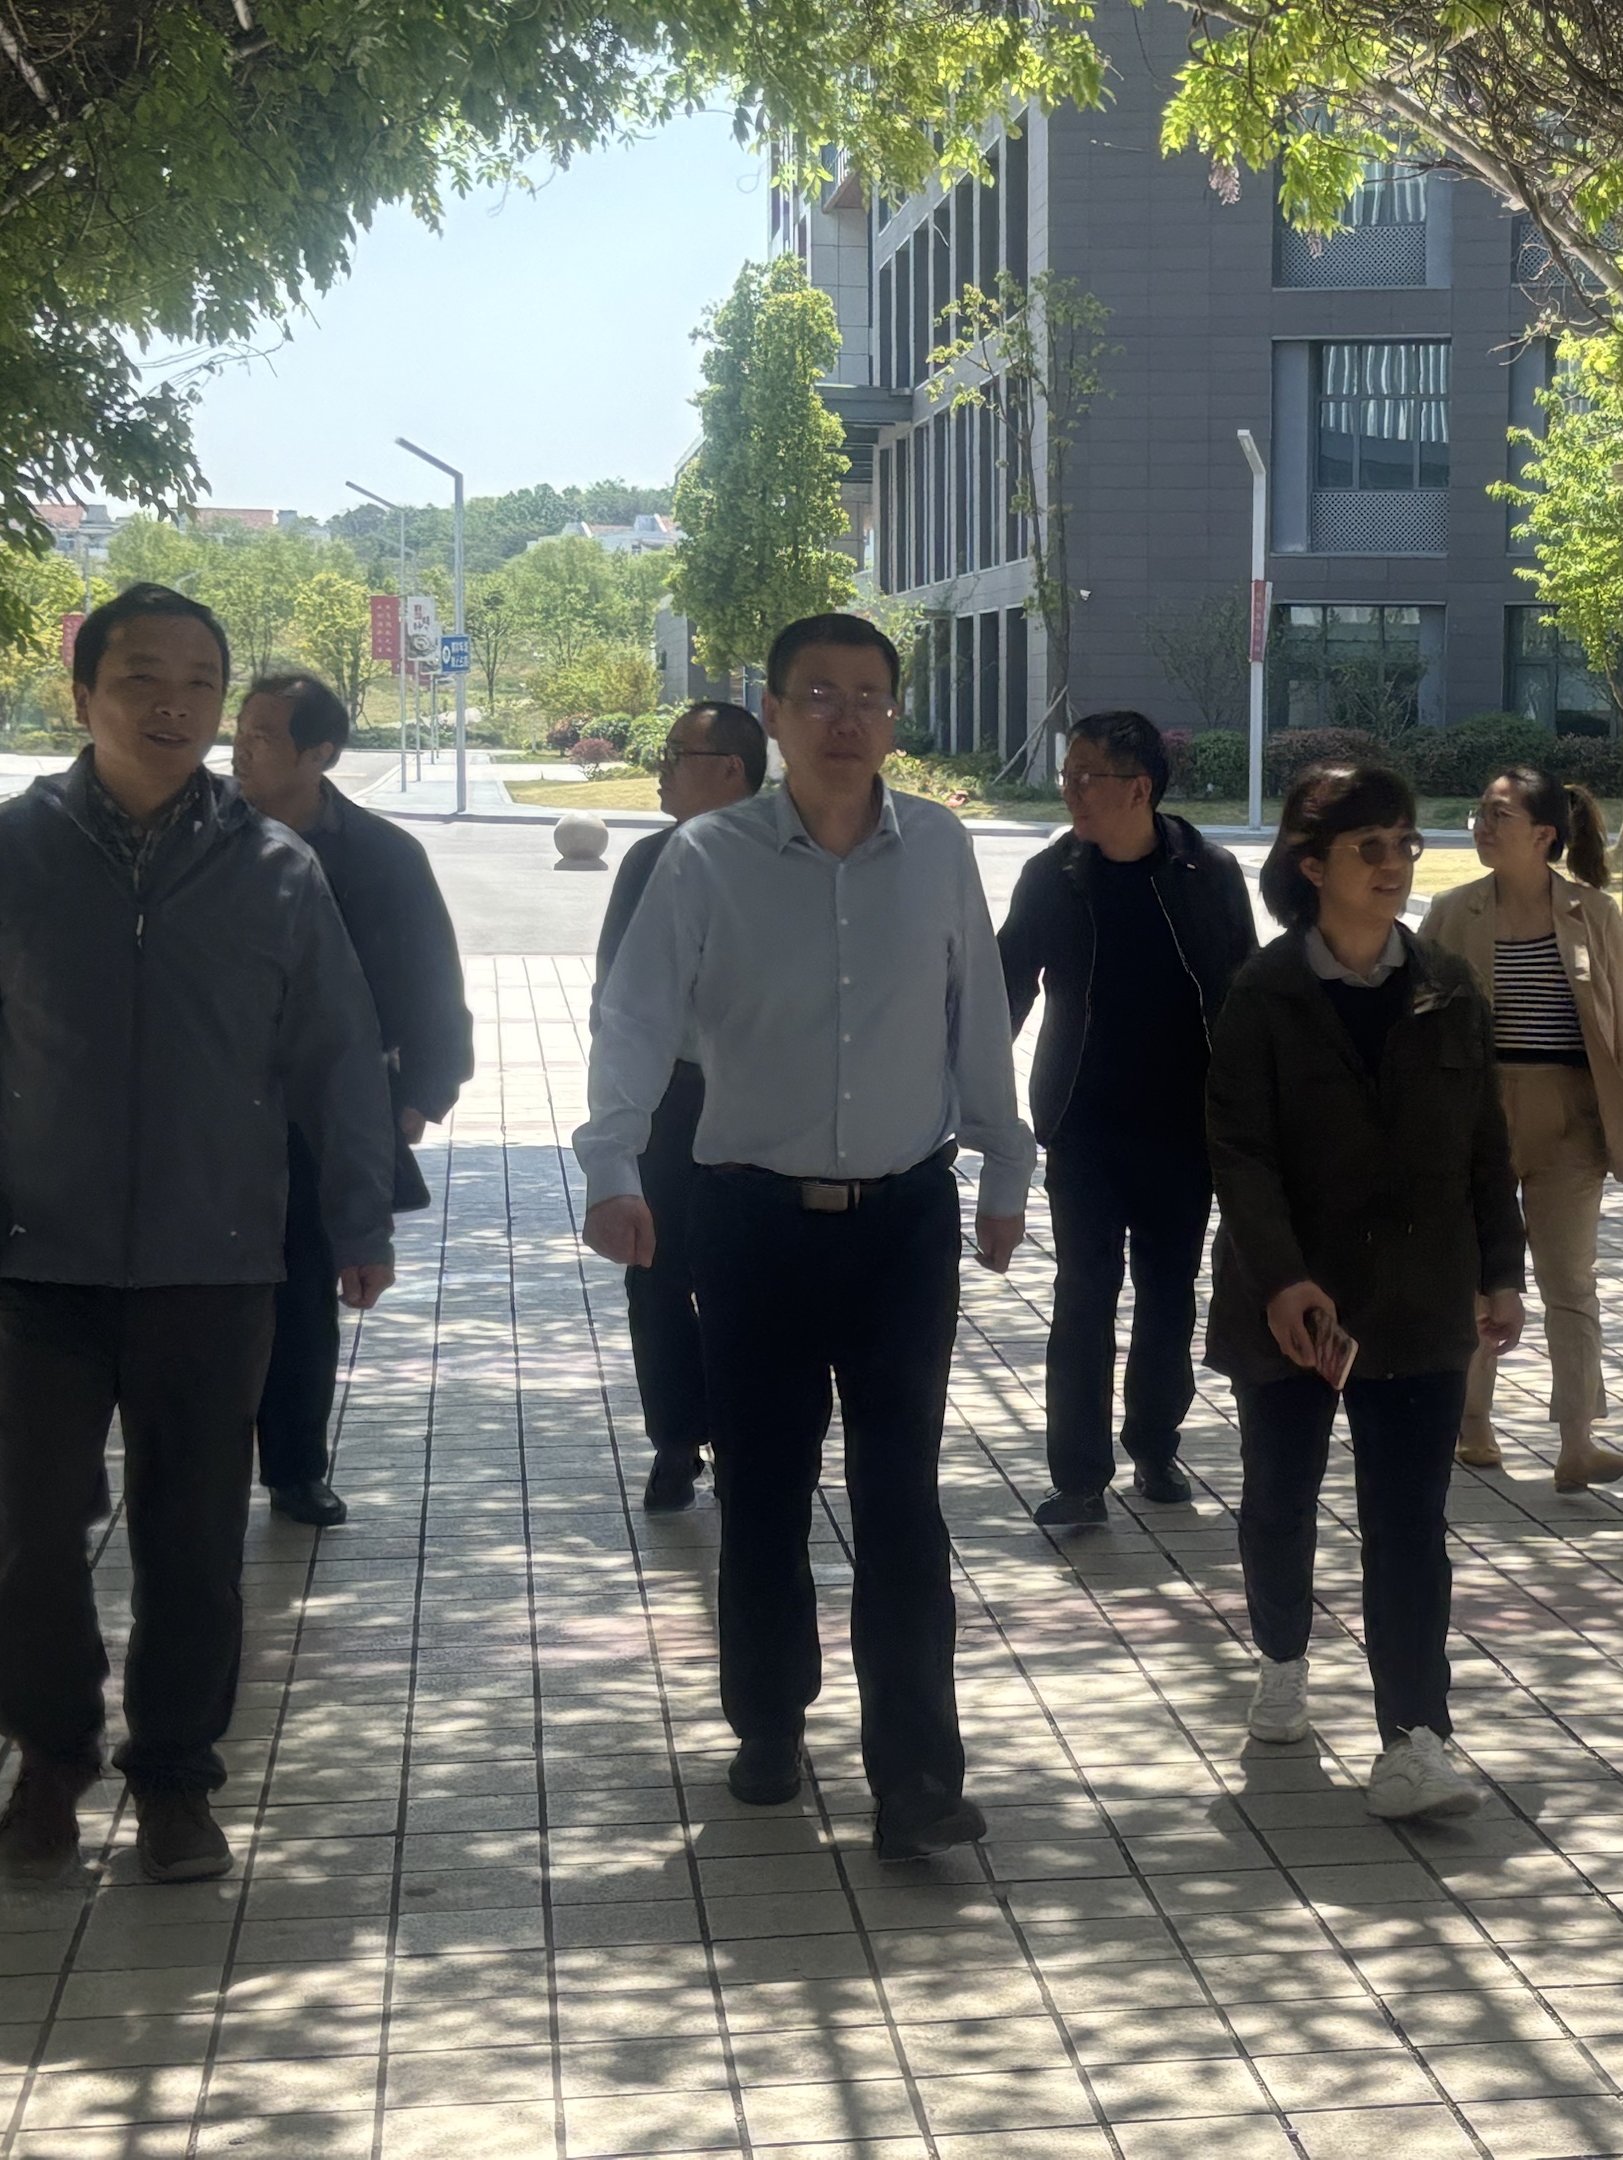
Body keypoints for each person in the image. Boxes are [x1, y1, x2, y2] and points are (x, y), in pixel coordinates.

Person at [0, 584, 397, 1884]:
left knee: (195, 1538)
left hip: (218, 1265)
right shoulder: (1, 857)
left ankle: (175, 1778)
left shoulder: (277, 870)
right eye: (141, 678)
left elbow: (338, 1059)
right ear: (84, 695)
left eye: (199, 682)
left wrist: (357, 1213)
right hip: (43, 1263)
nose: (174, 705)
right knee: (30, 1534)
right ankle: (50, 1759)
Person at [576, 613, 1032, 1862]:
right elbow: (635, 1018)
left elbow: (976, 1009)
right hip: (749, 1220)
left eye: (869, 695)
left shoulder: (937, 846)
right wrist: (612, 1165)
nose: (846, 718)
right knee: (765, 1486)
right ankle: (770, 1720)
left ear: (894, 715)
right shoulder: (706, 858)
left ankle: (918, 1777)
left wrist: (1006, 1161)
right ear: (772, 714)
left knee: (901, 1500)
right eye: (819, 694)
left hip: (902, 1224)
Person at [1205, 760, 1525, 1822]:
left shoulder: (1448, 989)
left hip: (1418, 1297)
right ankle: (1282, 1656)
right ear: (1313, 865)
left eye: (1405, 843)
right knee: (1280, 1497)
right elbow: (1240, 1153)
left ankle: (1415, 1738)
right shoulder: (1262, 995)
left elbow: (1486, 1147)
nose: (1395, 865)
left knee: (1408, 1523)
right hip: (1288, 1301)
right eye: (1369, 847)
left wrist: (1502, 1271)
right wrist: (1282, 1278)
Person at [996, 709, 1256, 1529]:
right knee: (1083, 1294)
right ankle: (1078, 1477)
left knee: (1168, 1294)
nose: (1070, 790)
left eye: (1088, 776)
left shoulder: (1207, 872)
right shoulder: (1052, 876)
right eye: (1067, 774)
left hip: (1184, 1129)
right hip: (1083, 1124)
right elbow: (1006, 988)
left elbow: (1243, 994)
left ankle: (1154, 1444)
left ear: (1139, 789)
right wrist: (966, 1097)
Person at [229, 672, 474, 1528]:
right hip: (210, 1109)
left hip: (324, 1109)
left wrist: (420, 1098)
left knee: (302, 1295)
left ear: (320, 753)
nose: (241, 749)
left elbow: (431, 984)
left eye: (264, 736)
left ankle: (295, 1468)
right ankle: (206, 1468)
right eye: (240, 732)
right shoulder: (204, 838)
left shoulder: (380, 855)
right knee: (211, 1299)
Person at [1424, 765, 1623, 1493]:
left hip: (1570, 1116)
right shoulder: (1453, 911)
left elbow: (1621, 1026)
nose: (1483, 826)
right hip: (1479, 1115)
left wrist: (1620, 1119)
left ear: (1544, 834)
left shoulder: (1594, 912)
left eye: (1500, 815)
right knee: (1477, 1272)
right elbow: (1417, 1020)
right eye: (1481, 812)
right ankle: (1472, 1421)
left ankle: (1577, 1440)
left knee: (1570, 1278)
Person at [591, 700, 768, 1514]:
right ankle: (674, 1440)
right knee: (655, 1272)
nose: (659, 770)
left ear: (730, 770)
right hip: (671, 1095)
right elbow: (615, 995)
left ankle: (744, 1440)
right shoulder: (649, 860)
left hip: (761, 1101)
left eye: (675, 755)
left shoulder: (784, 857)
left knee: (748, 1281)